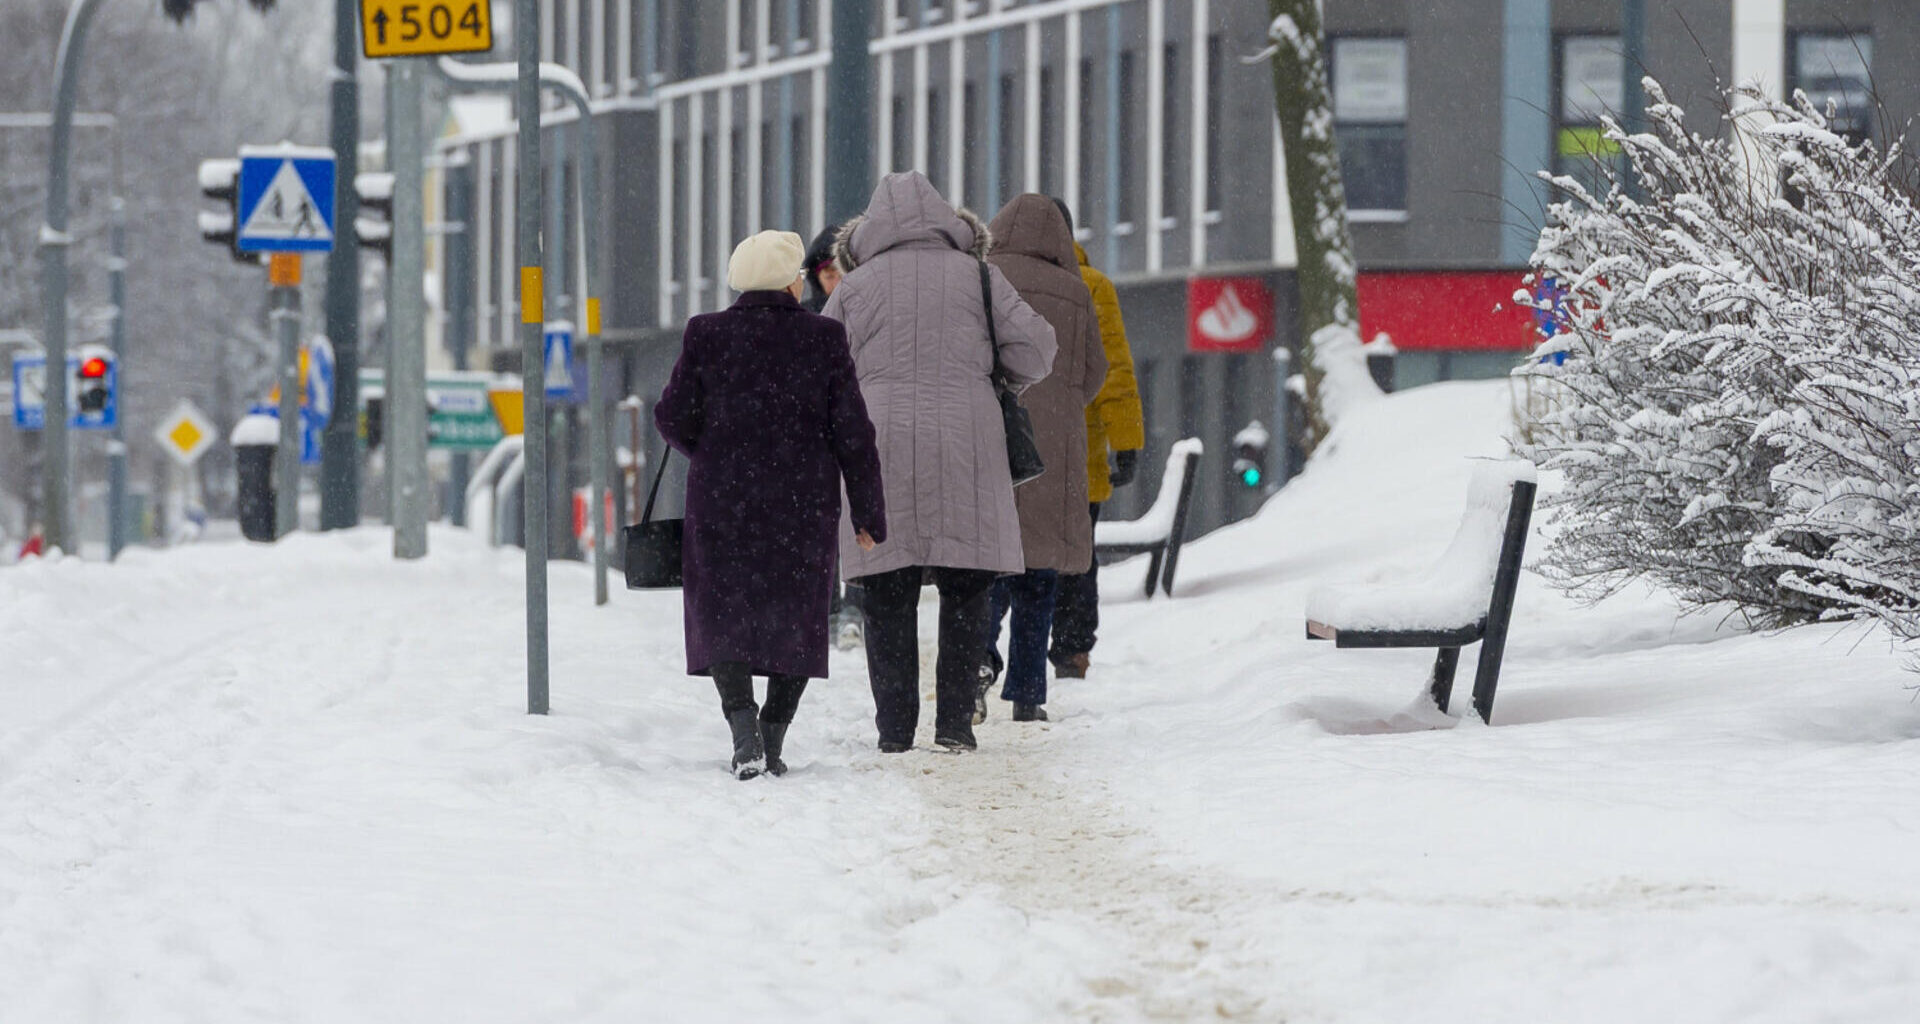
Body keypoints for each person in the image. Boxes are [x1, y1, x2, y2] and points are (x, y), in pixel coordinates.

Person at [823, 171, 1056, 753]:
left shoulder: (855, 287)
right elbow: (1038, 350)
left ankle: (895, 730)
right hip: (967, 443)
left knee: (886, 591)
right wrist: (993, 375)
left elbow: (820, 367)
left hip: (878, 447)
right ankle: (953, 724)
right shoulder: (979, 275)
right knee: (967, 586)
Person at [655, 229, 887, 780]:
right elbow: (854, 432)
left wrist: (712, 452)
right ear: (791, 281)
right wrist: (868, 512)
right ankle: (774, 735)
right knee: (797, 613)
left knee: (723, 612)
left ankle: (743, 727)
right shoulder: (823, 338)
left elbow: (670, 415)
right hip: (801, 503)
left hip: (722, 500)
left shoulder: (705, 334)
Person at [978, 195, 1107, 723]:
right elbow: (1094, 371)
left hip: (992, 437)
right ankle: (1028, 693)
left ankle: (976, 666)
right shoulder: (1076, 292)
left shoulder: (982, 278)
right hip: (1053, 449)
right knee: (1039, 577)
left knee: (987, 570)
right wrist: (1060, 400)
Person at [1050, 200, 1145, 680]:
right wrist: (1126, 442)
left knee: (1017, 557)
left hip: (1015, 451)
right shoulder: (1093, 287)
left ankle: (996, 654)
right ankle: (1070, 649)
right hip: (1078, 451)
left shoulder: (997, 282)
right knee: (1077, 555)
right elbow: (1115, 371)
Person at [806, 221, 867, 649]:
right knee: (824, 526)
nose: (834, 281)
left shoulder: (869, 312)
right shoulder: (807, 318)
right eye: (827, 273)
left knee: (861, 522)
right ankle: (827, 609)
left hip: (859, 430)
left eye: (840, 271)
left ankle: (856, 606)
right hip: (818, 439)